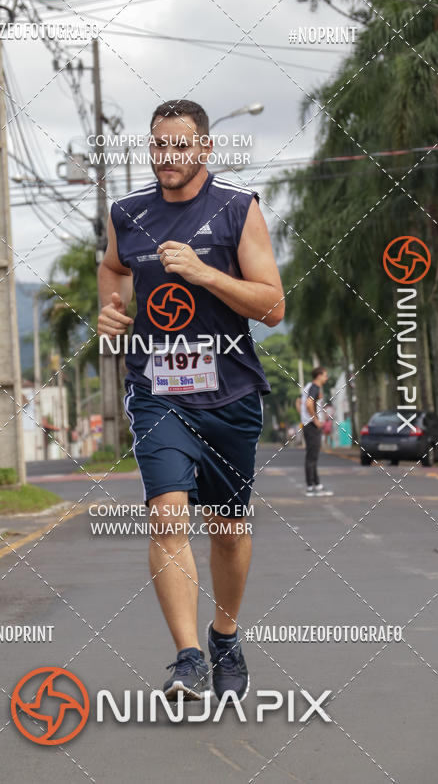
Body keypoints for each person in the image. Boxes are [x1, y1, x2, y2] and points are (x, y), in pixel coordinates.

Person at [97, 99, 284, 703]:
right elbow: (113, 267)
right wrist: (113, 309)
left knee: (228, 529)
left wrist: (206, 275)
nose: (167, 157)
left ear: (204, 149)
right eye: (158, 145)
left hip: (228, 392)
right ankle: (188, 658)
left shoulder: (237, 210)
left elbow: (272, 308)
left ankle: (224, 634)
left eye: (180, 146)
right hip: (157, 391)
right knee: (167, 514)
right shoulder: (127, 215)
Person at [300, 367, 332, 496]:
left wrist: (317, 400)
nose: (326, 378)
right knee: (312, 457)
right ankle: (310, 487)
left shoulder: (310, 387)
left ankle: (316, 485)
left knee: (312, 456)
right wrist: (316, 420)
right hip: (311, 426)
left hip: (308, 424)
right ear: (318, 376)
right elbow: (308, 404)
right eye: (325, 375)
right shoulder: (314, 387)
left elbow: (307, 403)